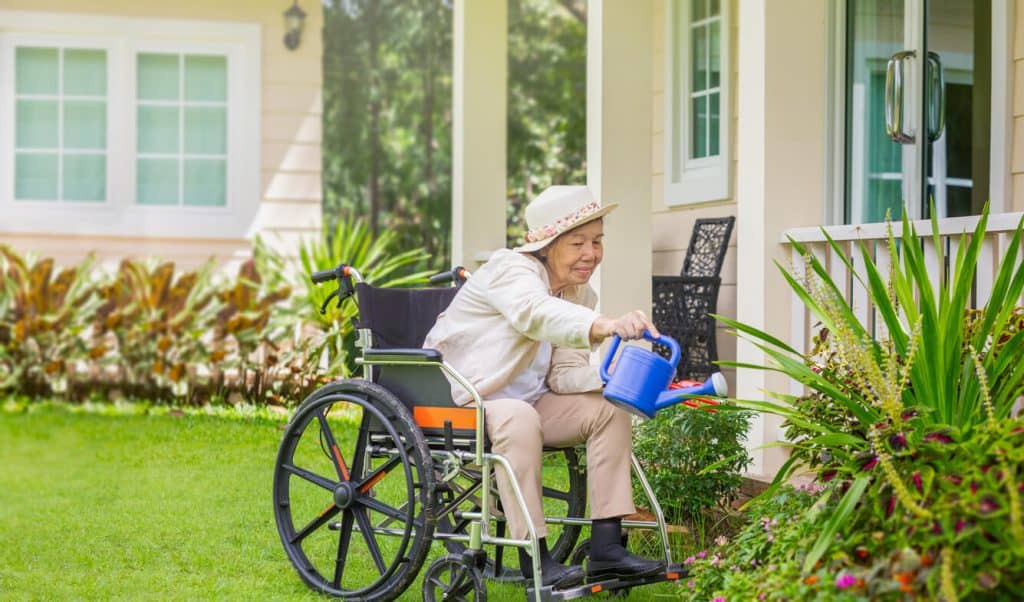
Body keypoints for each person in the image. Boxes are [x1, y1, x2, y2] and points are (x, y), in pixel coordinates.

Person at [423, 185, 665, 589]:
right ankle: (535, 555)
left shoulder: (579, 293)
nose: (591, 253)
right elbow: (535, 314)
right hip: (468, 397)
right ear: (548, 245)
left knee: (609, 408)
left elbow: (564, 374)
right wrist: (603, 325)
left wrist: (612, 377)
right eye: (578, 243)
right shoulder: (510, 270)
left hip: (531, 402)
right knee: (518, 417)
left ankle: (606, 547)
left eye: (597, 241)